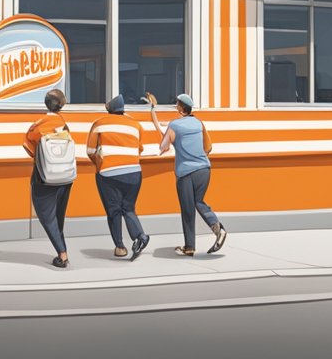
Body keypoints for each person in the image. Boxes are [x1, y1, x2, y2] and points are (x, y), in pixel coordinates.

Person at [147, 92, 227, 256]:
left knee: (187, 209)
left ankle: (189, 247)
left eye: (177, 103)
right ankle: (217, 227)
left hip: (186, 173)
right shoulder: (198, 122)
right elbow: (208, 148)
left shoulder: (174, 125)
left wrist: (155, 116)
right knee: (199, 202)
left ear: (180, 107)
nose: (176, 105)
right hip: (204, 170)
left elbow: (163, 146)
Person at [87, 94, 149, 260]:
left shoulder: (99, 124)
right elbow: (140, 149)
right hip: (134, 173)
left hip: (109, 174)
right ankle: (140, 236)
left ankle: (120, 247)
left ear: (109, 110)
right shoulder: (136, 125)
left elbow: (90, 151)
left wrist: (100, 165)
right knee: (128, 208)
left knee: (114, 211)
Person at [23, 89, 73, 268]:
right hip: (66, 176)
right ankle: (62, 250)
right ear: (61, 105)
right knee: (59, 217)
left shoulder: (38, 124)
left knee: (46, 215)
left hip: (45, 176)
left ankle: (63, 254)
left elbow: (27, 144)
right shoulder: (63, 123)